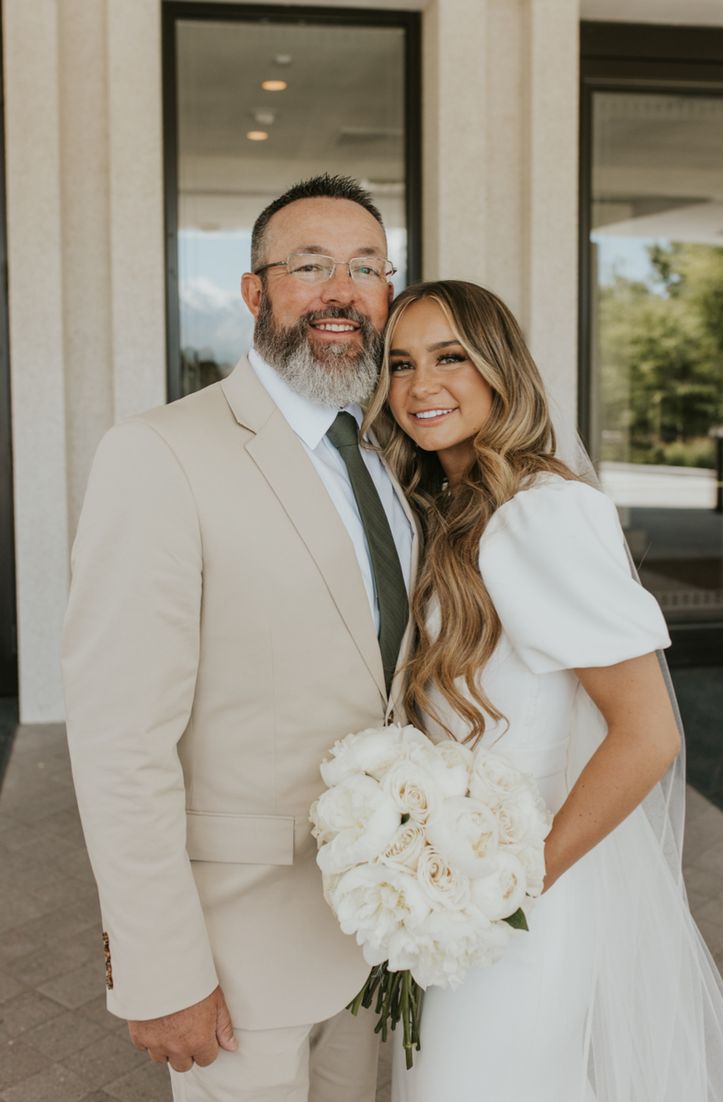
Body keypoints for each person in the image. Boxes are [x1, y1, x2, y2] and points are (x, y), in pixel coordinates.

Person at [61, 174, 416, 1102]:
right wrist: (157, 965)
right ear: (256, 292)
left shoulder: (389, 458)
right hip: (238, 949)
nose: (341, 290)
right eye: (310, 266)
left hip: (379, 933)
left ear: (388, 294)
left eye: (367, 268)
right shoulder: (159, 453)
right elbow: (119, 739)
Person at [361, 279, 723, 1101]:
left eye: (449, 357)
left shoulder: (540, 514)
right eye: (400, 364)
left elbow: (648, 735)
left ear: (500, 369)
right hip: (452, 897)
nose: (421, 386)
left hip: (516, 905)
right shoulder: (451, 508)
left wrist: (510, 888)